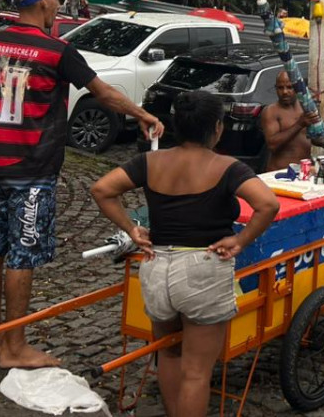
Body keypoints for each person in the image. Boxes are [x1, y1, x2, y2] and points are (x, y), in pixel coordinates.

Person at [0, 0, 164, 368]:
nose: (59, 5)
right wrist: (142, 114)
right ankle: (15, 348)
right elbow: (104, 93)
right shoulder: (57, 52)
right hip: (34, 169)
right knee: (22, 255)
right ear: (42, 1)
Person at [91, 91, 280, 417]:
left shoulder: (150, 162)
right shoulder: (226, 166)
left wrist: (132, 229)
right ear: (217, 128)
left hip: (157, 268)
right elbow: (268, 204)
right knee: (196, 370)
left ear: (176, 125)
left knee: (170, 356)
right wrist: (241, 241)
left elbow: (102, 189)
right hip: (201, 271)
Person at [260, 70, 324, 171]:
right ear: (276, 88)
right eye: (280, 88)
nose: (284, 92)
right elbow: (272, 145)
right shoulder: (271, 111)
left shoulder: (307, 108)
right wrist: (299, 124)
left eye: (289, 87)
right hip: (279, 174)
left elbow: (312, 138)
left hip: (304, 172)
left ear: (297, 88)